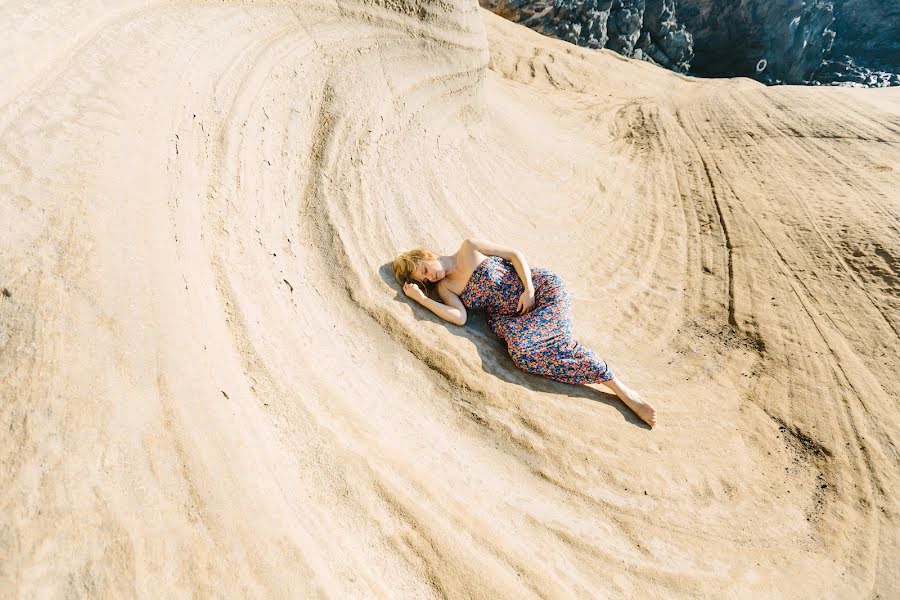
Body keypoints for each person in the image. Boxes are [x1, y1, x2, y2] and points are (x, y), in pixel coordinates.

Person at [392, 238, 657, 427]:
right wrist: (422, 300)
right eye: (424, 279)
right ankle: (603, 377)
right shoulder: (445, 289)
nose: (430, 277)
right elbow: (459, 318)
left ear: (427, 255)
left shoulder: (468, 247)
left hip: (540, 291)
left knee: (558, 341)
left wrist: (529, 290)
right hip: (513, 320)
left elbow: (514, 255)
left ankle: (620, 390)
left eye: (425, 270)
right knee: (523, 354)